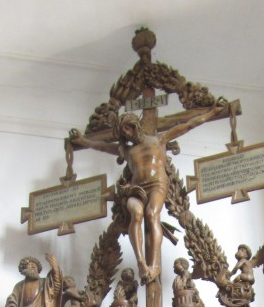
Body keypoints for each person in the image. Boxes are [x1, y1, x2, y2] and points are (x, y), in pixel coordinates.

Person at [70, 105, 225, 284]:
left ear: (135, 124)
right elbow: (103, 147)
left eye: (128, 127)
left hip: (158, 184)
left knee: (151, 214)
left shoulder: (159, 139)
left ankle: (155, 264)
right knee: (135, 213)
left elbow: (187, 125)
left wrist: (212, 112)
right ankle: (142, 263)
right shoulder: (127, 151)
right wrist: (82, 140)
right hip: (136, 188)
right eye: (123, 131)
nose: (127, 133)